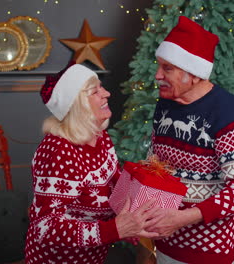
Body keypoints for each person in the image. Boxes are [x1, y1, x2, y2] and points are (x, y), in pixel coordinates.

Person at [145, 16, 234, 264]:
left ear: (193, 73)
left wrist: (183, 218)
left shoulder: (227, 111)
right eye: (159, 65)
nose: (157, 75)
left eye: (168, 68)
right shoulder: (166, 104)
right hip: (164, 242)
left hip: (207, 251)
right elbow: (155, 164)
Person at [24, 63, 159, 264]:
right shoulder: (59, 151)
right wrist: (115, 229)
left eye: (101, 87)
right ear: (78, 104)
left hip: (93, 257)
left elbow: (114, 186)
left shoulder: (99, 136)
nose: (107, 93)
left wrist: (133, 222)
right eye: (96, 91)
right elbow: (45, 227)